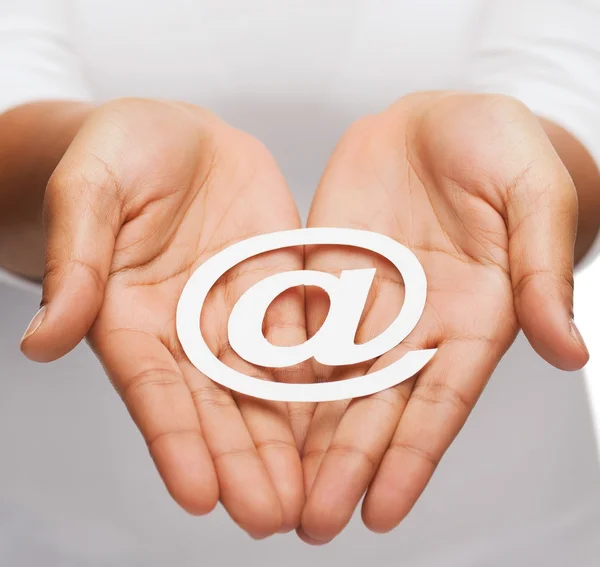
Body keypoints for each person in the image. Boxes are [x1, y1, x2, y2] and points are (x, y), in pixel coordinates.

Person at [1, 0, 600, 564]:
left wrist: (524, 180)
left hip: (503, 520)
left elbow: (571, 94)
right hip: (76, 518)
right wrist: (81, 173)